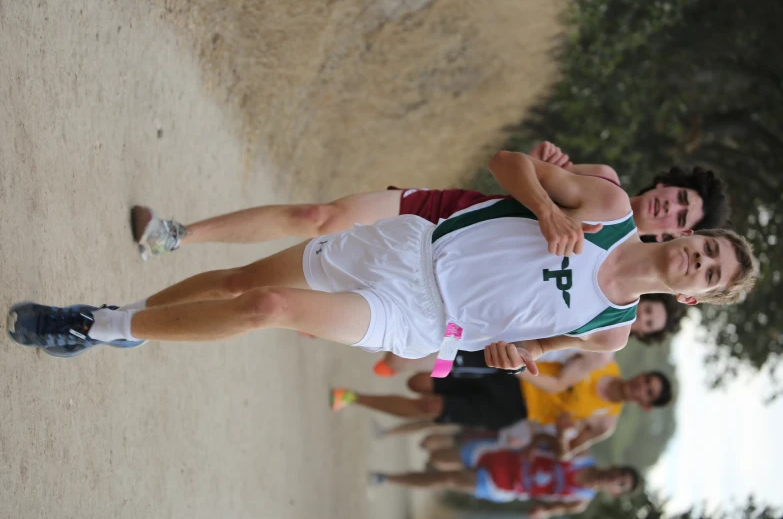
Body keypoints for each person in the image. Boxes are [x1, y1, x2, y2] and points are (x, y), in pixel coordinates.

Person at [8, 150, 755, 368]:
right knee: (241, 283)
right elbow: (504, 161)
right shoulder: (608, 210)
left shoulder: (612, 333)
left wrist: (507, 358)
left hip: (419, 315)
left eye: (713, 275)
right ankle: (135, 317)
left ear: (694, 299)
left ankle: (95, 326)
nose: (702, 261)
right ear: (685, 238)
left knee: (266, 311)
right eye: (708, 249)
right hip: (411, 245)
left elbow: (528, 351)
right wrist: (549, 208)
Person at [131, 141, 730, 259]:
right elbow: (513, 168)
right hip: (447, 214)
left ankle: (146, 321)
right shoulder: (606, 182)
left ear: (675, 236)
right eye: (677, 197)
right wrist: (547, 194)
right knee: (320, 218)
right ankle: (176, 235)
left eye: (681, 218)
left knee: (280, 292)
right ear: (664, 183)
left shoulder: (618, 290)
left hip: (435, 291)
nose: (670, 209)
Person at [331, 362, 672, 456]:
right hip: (510, 374)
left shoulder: (605, 422)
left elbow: (564, 453)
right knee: (418, 382)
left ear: (643, 405)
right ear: (641, 375)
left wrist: (564, 434)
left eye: (648, 393)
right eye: (647, 381)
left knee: (428, 405)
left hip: (511, 410)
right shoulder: (603, 362)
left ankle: (352, 397)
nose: (642, 386)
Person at [372, 291, 688, 378]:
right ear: (645, 299)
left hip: (507, 350)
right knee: (425, 319)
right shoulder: (603, 293)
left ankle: (383, 357)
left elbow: (562, 377)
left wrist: (524, 365)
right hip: (502, 310)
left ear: (644, 335)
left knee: (424, 357)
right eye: (647, 311)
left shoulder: (605, 352)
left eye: (648, 324)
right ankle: (368, 325)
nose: (641, 319)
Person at [369, 433, 640, 515]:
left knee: (446, 479)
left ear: (615, 492)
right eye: (620, 475)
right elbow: (545, 436)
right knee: (437, 458)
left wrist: (541, 513)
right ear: (615, 467)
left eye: (620, 485)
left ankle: (386, 478)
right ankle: (429, 460)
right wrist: (533, 446)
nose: (614, 480)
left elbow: (548, 509)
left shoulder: (579, 500)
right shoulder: (582, 456)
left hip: (503, 484)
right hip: (500, 456)